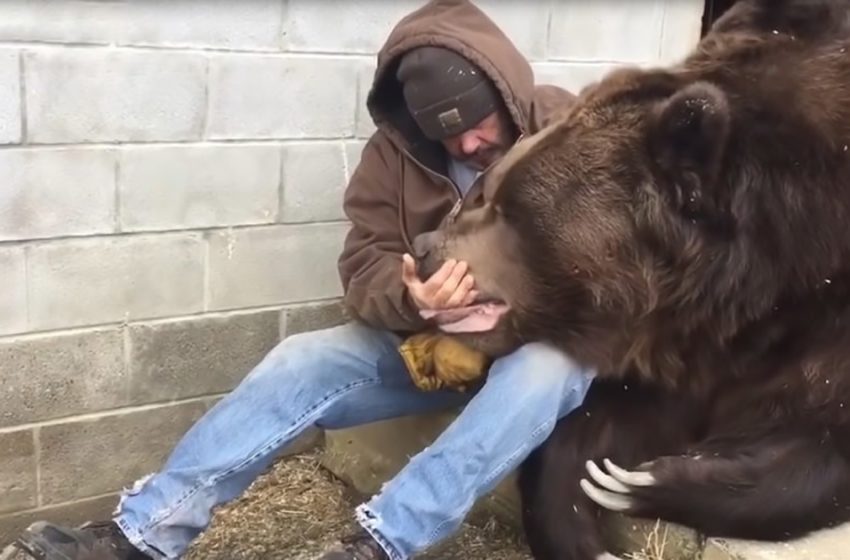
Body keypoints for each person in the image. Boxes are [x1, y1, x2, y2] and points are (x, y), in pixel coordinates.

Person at [1, 1, 593, 559]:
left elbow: (621, 264)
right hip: (432, 349)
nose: (466, 143)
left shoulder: (575, 133)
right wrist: (412, 297)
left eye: (478, 122)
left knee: (549, 366)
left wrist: (515, 306)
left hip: (537, 345)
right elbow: (364, 267)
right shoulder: (390, 157)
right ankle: (144, 533)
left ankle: (383, 541)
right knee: (302, 358)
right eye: (445, 132)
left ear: (507, 91)